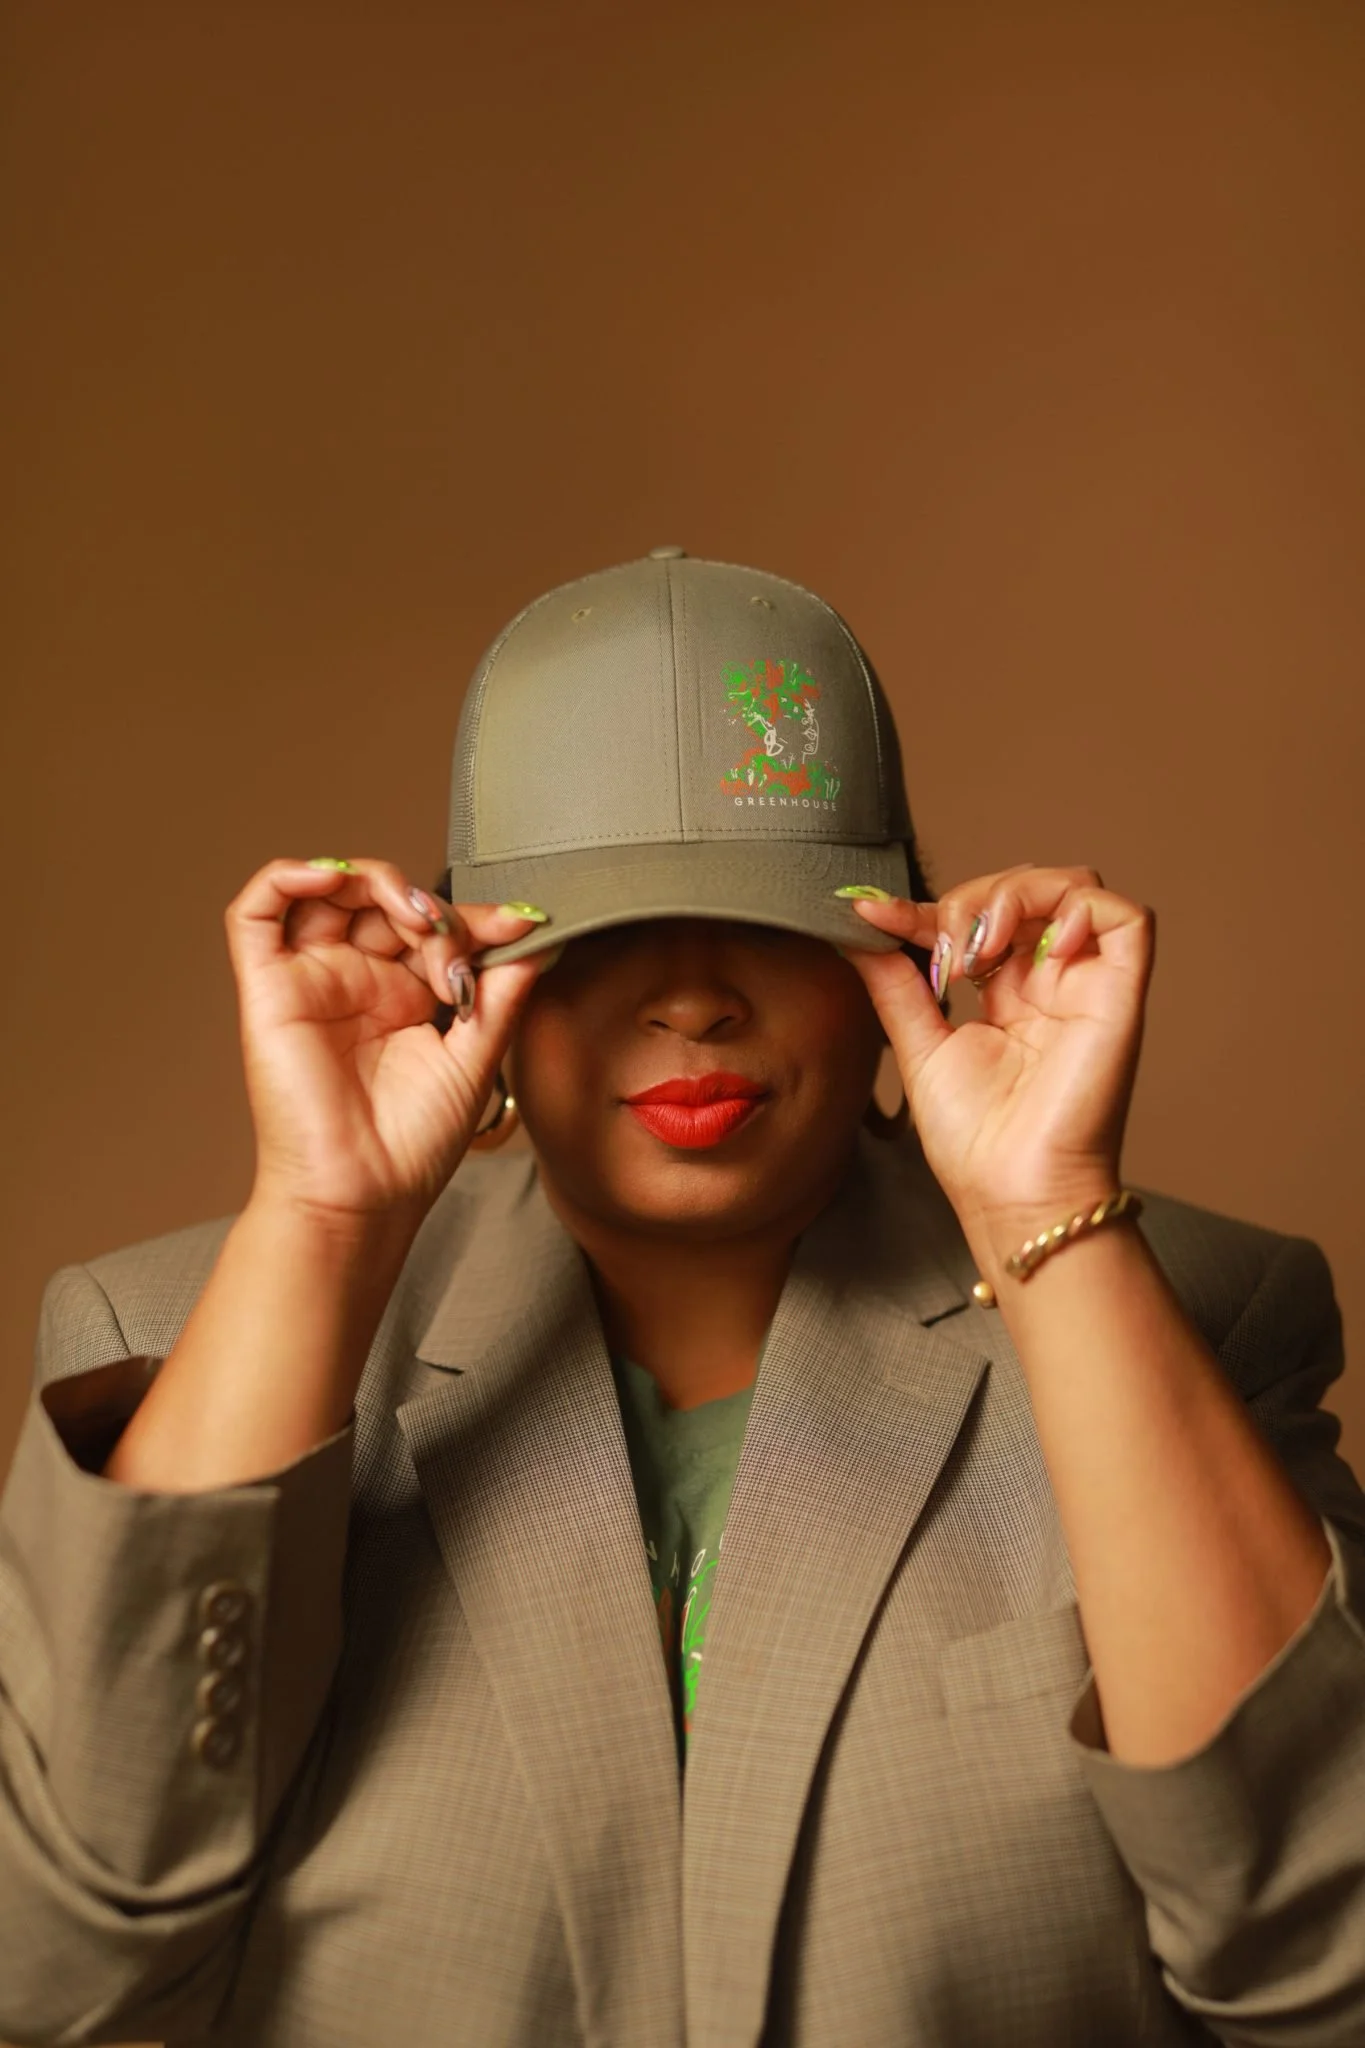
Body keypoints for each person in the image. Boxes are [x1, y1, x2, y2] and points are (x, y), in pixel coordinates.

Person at [2, 548, 1363, 2048]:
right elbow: (62, 1980)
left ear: (905, 952)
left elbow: (1326, 1973)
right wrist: (324, 1221)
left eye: (774, 919)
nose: (694, 996)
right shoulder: (174, 1355)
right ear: (459, 972)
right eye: (593, 934)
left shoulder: (1194, 1322)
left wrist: (1049, 1212)